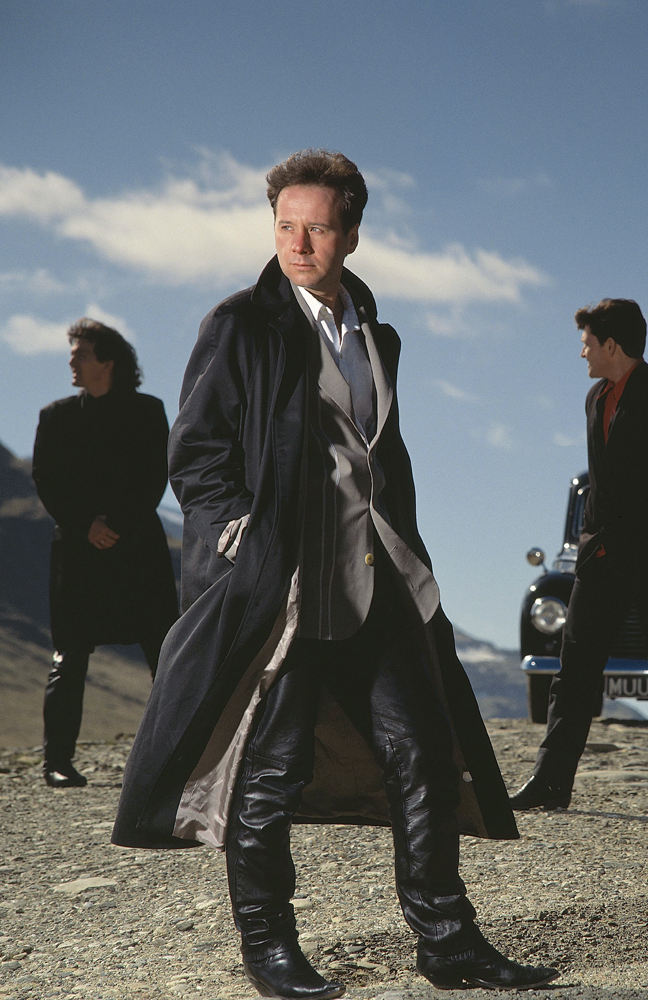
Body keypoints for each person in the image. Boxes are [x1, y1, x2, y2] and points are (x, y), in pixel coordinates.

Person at [112, 149, 557, 999]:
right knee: (269, 770)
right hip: (284, 585)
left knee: (423, 753)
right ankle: (270, 948)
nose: (298, 243)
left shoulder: (376, 334)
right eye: (285, 226)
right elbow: (197, 453)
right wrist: (243, 540)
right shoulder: (239, 324)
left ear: (350, 234)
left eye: (316, 228)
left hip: (374, 574)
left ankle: (448, 944)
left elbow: (378, 454)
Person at [509, 299, 648, 820]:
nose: (582, 352)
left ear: (611, 344)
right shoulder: (595, 398)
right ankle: (550, 781)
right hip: (601, 556)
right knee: (573, 672)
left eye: (587, 343)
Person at [31, 320, 177, 789]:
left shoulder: (147, 411)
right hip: (78, 552)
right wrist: (86, 525)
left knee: (163, 651)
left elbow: (156, 474)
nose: (71, 361)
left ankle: (178, 758)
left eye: (81, 354)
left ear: (107, 362)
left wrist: (115, 524)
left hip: (137, 548)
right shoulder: (55, 416)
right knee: (69, 655)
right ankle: (57, 763)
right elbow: (46, 480)